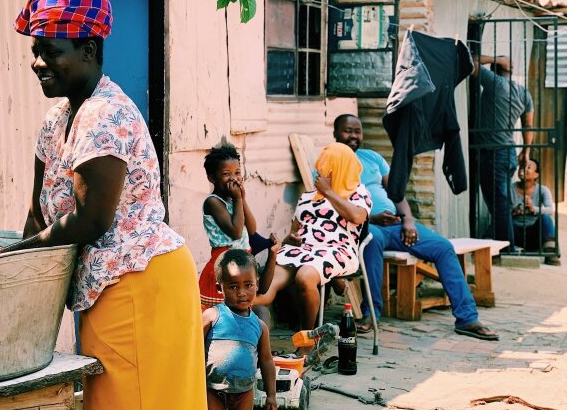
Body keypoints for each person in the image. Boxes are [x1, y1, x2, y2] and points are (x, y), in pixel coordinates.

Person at [7, 0, 212, 410]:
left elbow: (91, 220)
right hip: (106, 291)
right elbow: (40, 212)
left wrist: (26, 252)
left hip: (140, 288)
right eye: (35, 50)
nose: (38, 62)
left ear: (90, 51)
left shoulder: (106, 115)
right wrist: (17, 270)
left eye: (51, 51)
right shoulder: (59, 118)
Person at [333, 114, 499, 341]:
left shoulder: (372, 158)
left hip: (395, 223)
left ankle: (467, 319)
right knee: (372, 241)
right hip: (365, 226)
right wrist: (370, 218)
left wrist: (408, 220)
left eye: (357, 131)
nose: (353, 136)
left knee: (442, 247)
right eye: (347, 131)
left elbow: (397, 192)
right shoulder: (330, 163)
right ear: (335, 134)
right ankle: (372, 314)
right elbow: (330, 207)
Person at [253, 143, 372, 330]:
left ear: (342, 169)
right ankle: (221, 314)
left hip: (337, 250)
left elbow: (357, 217)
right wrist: (290, 239)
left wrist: (329, 192)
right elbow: (294, 230)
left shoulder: (358, 194)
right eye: (320, 170)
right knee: (267, 285)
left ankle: (307, 340)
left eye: (327, 170)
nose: (320, 175)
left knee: (305, 277)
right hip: (301, 250)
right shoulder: (308, 197)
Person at [198, 249, 277, 410]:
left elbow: (266, 361)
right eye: (233, 286)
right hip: (212, 389)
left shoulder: (259, 326)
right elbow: (192, 352)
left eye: (248, 285)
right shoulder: (212, 316)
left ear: (257, 284)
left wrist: (272, 395)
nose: (242, 293)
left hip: (244, 392)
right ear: (219, 286)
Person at [200, 144, 279, 312]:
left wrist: (242, 198)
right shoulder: (213, 202)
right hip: (225, 264)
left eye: (237, 173)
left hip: (242, 259)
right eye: (226, 174)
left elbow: (251, 228)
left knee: (248, 308)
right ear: (212, 178)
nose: (234, 179)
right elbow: (236, 232)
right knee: (224, 314)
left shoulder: (234, 200)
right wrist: (237, 200)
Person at [472, 55, 534, 248]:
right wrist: (527, 151)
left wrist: (495, 58)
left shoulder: (495, 83)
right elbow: (528, 125)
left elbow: (469, 61)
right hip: (508, 153)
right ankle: (506, 244)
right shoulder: (524, 93)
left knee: (499, 205)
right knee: (501, 204)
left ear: (495, 70)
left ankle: (507, 248)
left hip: (493, 154)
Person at [511, 158, 559, 264]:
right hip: (514, 232)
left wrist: (534, 209)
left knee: (546, 218)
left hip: (534, 234)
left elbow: (550, 210)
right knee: (503, 218)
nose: (523, 169)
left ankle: (550, 253)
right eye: (522, 166)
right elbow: (501, 209)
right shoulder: (510, 188)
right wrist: (514, 211)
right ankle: (490, 245)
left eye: (528, 167)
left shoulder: (543, 190)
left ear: (536, 175)